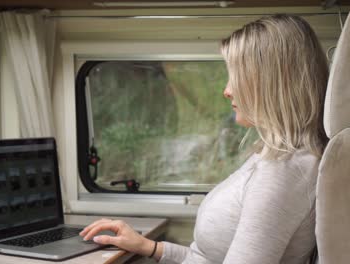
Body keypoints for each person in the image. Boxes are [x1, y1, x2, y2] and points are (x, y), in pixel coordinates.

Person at [80, 14, 329, 264]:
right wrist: (150, 247)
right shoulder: (274, 155)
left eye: (237, 76)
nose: (227, 90)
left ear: (272, 82)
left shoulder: (284, 171)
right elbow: (207, 258)